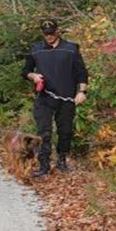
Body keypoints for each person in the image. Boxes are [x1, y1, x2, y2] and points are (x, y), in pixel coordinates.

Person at [22, 19, 89, 178]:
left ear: (57, 31)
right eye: (46, 34)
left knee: (65, 131)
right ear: (42, 33)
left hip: (66, 98)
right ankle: (44, 164)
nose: (49, 36)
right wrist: (33, 76)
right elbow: (25, 71)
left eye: (51, 33)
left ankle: (62, 160)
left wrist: (82, 92)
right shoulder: (36, 49)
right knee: (43, 132)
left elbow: (82, 72)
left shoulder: (71, 49)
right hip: (44, 97)